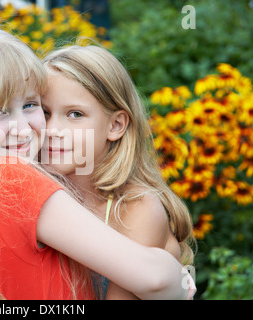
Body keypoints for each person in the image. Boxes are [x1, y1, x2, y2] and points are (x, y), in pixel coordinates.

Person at [0, 26, 195, 300]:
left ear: (116, 125)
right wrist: (174, 278)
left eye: (30, 105)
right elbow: (154, 279)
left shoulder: (133, 207)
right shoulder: (10, 177)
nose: (29, 127)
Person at [41, 45, 196, 299]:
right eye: (44, 112)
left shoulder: (135, 208)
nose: (52, 129)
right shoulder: (39, 191)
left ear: (115, 125)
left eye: (75, 114)